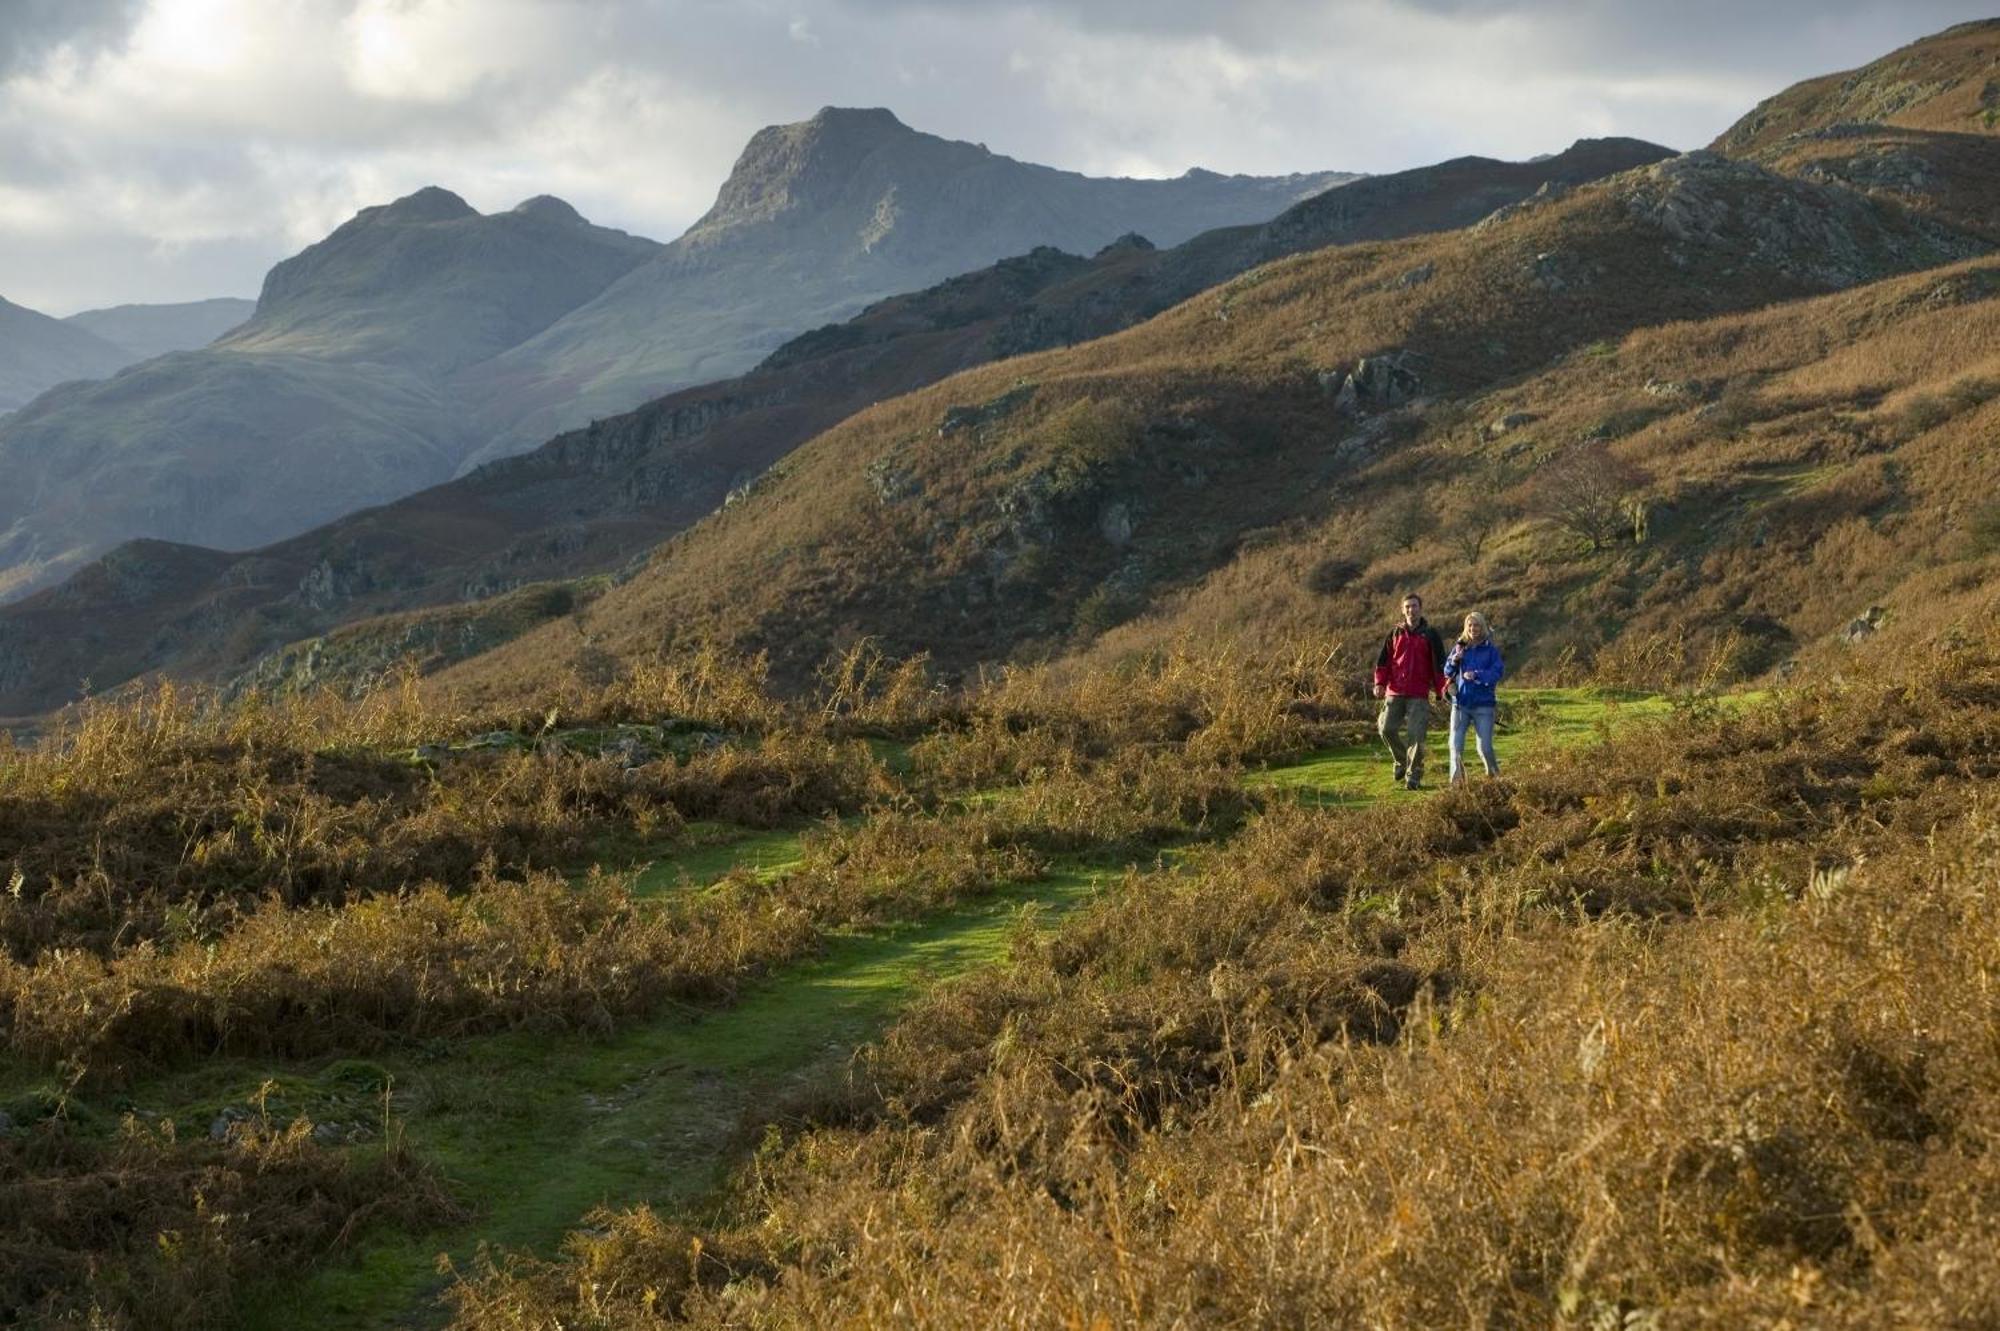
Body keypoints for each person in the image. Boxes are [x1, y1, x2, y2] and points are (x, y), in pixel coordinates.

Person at [1372, 593, 1447, 790]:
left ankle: (1414, 776)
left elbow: (1440, 665)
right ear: (1402, 610)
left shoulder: (1431, 634)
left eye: (1414, 606)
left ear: (1420, 608)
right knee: (1385, 729)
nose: (1411, 610)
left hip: (1419, 693)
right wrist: (1379, 683)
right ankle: (1401, 761)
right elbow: (1383, 661)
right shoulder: (1395, 633)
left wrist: (1442, 690)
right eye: (1407, 607)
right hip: (1394, 690)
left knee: (1416, 735)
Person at [1444, 610, 1504, 785]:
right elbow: (1447, 671)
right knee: (1455, 746)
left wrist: (1477, 675)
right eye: (1470, 625)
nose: (1473, 628)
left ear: (1483, 627)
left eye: (1476, 625)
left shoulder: (1491, 650)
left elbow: (1497, 672)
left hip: (1484, 706)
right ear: (1466, 627)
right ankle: (1457, 786)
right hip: (1461, 704)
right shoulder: (1460, 647)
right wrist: (1455, 660)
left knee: (1484, 748)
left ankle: (1495, 779)